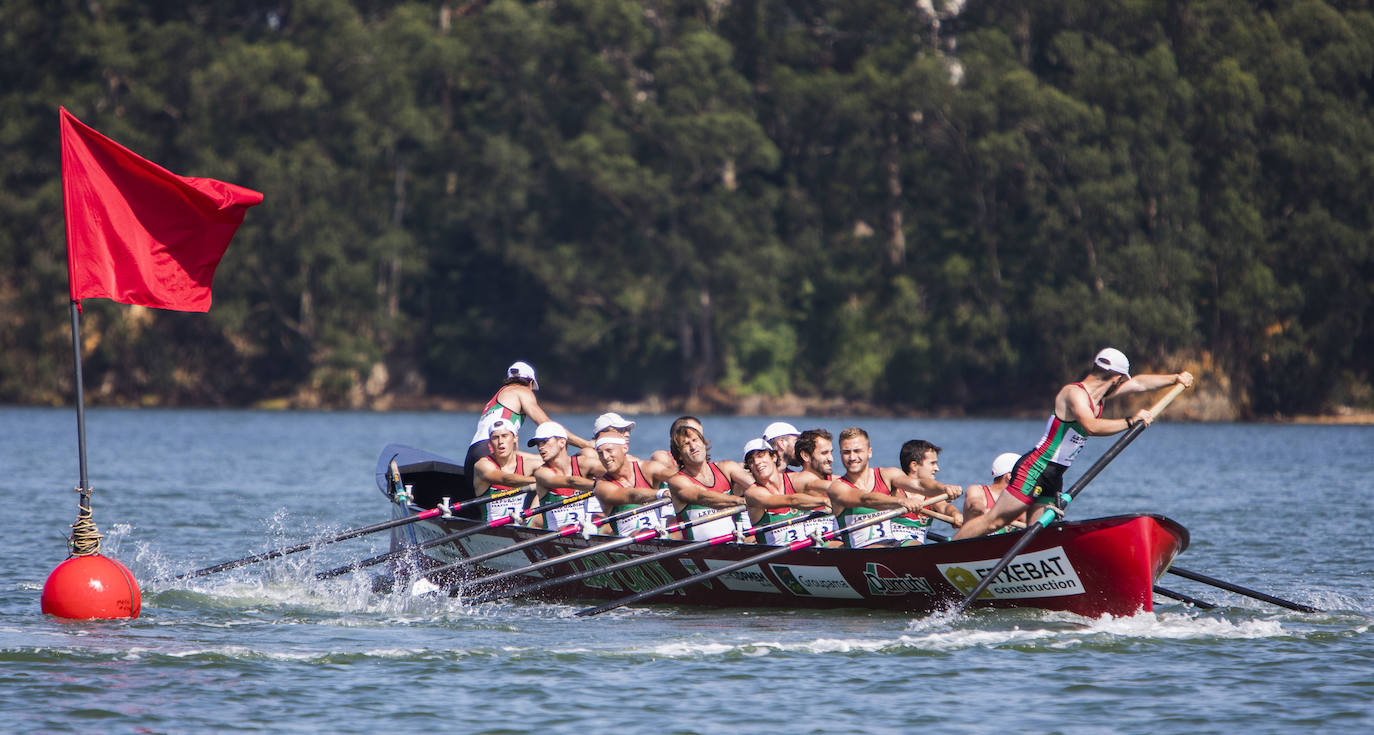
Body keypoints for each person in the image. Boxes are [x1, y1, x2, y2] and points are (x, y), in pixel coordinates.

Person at [954, 347, 1194, 539]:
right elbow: (1090, 426)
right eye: (1121, 380)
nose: (1122, 384)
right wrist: (1131, 421)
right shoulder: (1074, 394)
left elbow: (1139, 384)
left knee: (1038, 534)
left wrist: (1175, 378)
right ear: (1116, 377)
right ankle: (950, 554)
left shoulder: (1100, 395)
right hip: (1036, 467)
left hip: (1054, 474)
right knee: (997, 520)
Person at [465, 361, 591, 501]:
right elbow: (548, 426)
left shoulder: (497, 397)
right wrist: (586, 445)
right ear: (530, 383)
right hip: (490, 451)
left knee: (538, 461)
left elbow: (514, 451)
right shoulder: (522, 391)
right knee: (550, 467)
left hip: (473, 454)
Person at [825, 427, 962, 548]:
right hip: (861, 552)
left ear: (869, 452)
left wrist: (944, 488)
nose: (852, 457)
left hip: (893, 544)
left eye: (857, 451)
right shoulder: (837, 488)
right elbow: (865, 498)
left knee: (916, 546)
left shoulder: (887, 475)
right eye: (846, 452)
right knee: (882, 550)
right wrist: (900, 502)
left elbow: (919, 484)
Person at [663, 421, 750, 541]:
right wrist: (743, 501)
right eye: (686, 444)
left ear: (703, 443)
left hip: (734, 546)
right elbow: (700, 496)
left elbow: (756, 486)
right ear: (679, 456)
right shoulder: (677, 481)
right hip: (700, 552)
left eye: (695, 440)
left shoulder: (727, 468)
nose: (693, 447)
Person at [741, 438, 832, 545]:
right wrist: (824, 501)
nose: (757, 462)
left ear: (773, 457)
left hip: (805, 549)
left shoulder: (795, 479)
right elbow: (791, 500)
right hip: (776, 557)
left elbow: (830, 485)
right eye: (751, 461)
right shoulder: (753, 493)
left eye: (760, 455)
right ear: (750, 468)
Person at [591, 432, 681, 538]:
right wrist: (662, 493)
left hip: (659, 533)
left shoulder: (647, 468)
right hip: (629, 540)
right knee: (645, 531)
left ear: (625, 448)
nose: (605, 457)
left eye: (609, 450)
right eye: (600, 453)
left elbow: (677, 478)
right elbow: (631, 495)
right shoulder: (602, 486)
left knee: (678, 522)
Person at [528, 421, 605, 532]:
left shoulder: (583, 464)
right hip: (556, 534)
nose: (540, 447)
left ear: (562, 442)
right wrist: (600, 486)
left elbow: (613, 471)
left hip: (582, 530)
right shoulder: (542, 473)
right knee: (567, 527)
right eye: (538, 444)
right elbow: (571, 482)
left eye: (544, 442)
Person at [469, 419, 539, 522]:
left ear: (515, 438)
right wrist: (537, 481)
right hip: (492, 530)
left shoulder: (527, 463)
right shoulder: (483, 465)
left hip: (519, 525)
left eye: (505, 436)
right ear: (490, 442)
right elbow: (506, 479)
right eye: (495, 438)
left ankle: (530, 521)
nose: (500, 442)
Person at [896, 440, 965, 543]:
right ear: (914, 466)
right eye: (932, 463)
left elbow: (945, 507)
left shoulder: (932, 497)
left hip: (915, 549)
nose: (937, 468)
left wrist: (955, 514)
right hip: (890, 547)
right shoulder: (893, 489)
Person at [962, 452, 1025, 525]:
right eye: (1023, 475)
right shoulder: (977, 490)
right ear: (1009, 476)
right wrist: (987, 512)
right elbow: (975, 504)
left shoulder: (1017, 500)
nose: (1027, 480)